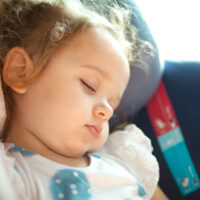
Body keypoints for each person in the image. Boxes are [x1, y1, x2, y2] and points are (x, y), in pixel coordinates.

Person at [0, 0, 169, 199]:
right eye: (89, 85)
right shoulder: (12, 176)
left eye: (113, 105)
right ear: (20, 71)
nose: (106, 112)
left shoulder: (121, 159)